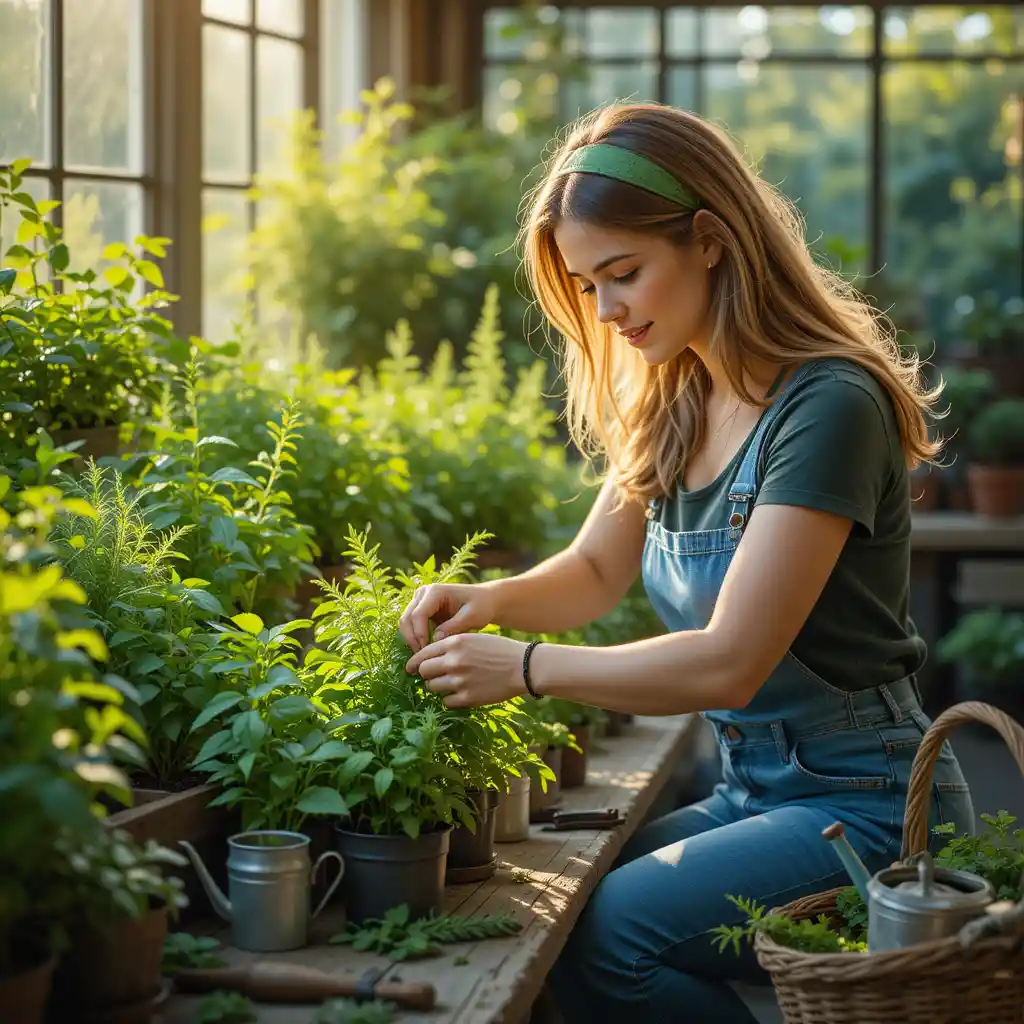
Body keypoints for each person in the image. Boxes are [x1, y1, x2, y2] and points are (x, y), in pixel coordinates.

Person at [399, 102, 973, 1023]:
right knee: (565, 907)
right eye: (588, 287)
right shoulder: (678, 395)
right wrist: (488, 599)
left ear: (710, 239)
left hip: (867, 804)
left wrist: (527, 670)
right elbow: (592, 572)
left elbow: (730, 661)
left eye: (622, 273)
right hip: (752, 789)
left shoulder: (828, 406)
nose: (608, 311)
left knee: (611, 932)